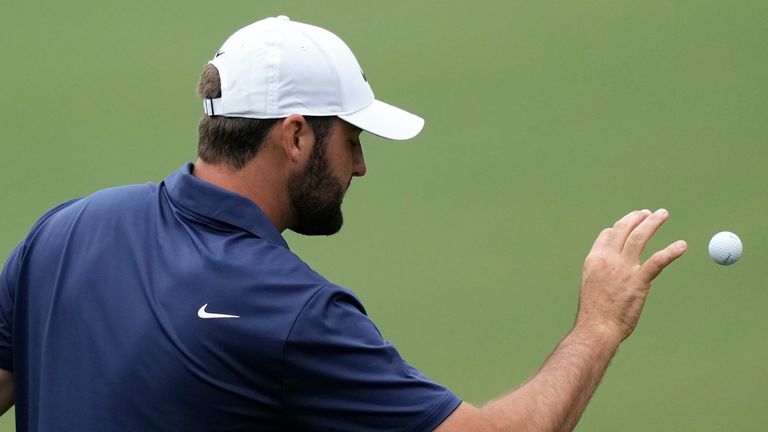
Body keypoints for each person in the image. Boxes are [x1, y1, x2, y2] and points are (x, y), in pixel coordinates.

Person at [0, 15, 687, 431]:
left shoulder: (63, 233)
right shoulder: (293, 315)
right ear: (296, 136)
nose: (360, 167)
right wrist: (598, 323)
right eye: (351, 139)